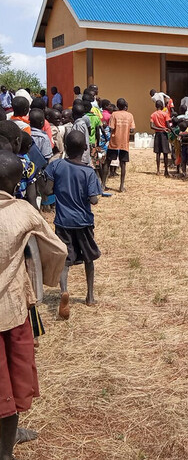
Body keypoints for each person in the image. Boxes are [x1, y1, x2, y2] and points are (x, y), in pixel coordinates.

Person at [0, 150, 67, 460]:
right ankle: (5, 450)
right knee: (11, 384)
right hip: (10, 312)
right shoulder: (23, 212)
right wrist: (46, 283)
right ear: (16, 184)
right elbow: (56, 248)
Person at [44, 130, 102, 317]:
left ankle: (64, 291)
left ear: (66, 148)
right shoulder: (88, 172)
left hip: (63, 221)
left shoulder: (56, 165)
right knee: (89, 258)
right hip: (83, 222)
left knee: (65, 260)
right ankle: (90, 295)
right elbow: (94, 200)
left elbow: (47, 190)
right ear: (85, 148)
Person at [102, 98, 135, 192]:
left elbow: (111, 128)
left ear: (117, 106)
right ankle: (121, 186)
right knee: (123, 164)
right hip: (124, 142)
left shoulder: (114, 114)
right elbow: (132, 130)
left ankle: (103, 184)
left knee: (107, 162)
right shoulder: (130, 115)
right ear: (125, 106)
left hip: (114, 142)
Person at [151, 99, 172, 177]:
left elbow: (152, 126)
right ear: (162, 106)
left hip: (157, 134)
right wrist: (170, 131)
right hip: (164, 134)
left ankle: (158, 170)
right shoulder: (165, 114)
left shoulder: (153, 115)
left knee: (158, 153)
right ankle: (166, 171)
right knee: (165, 153)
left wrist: (159, 129)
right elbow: (168, 125)